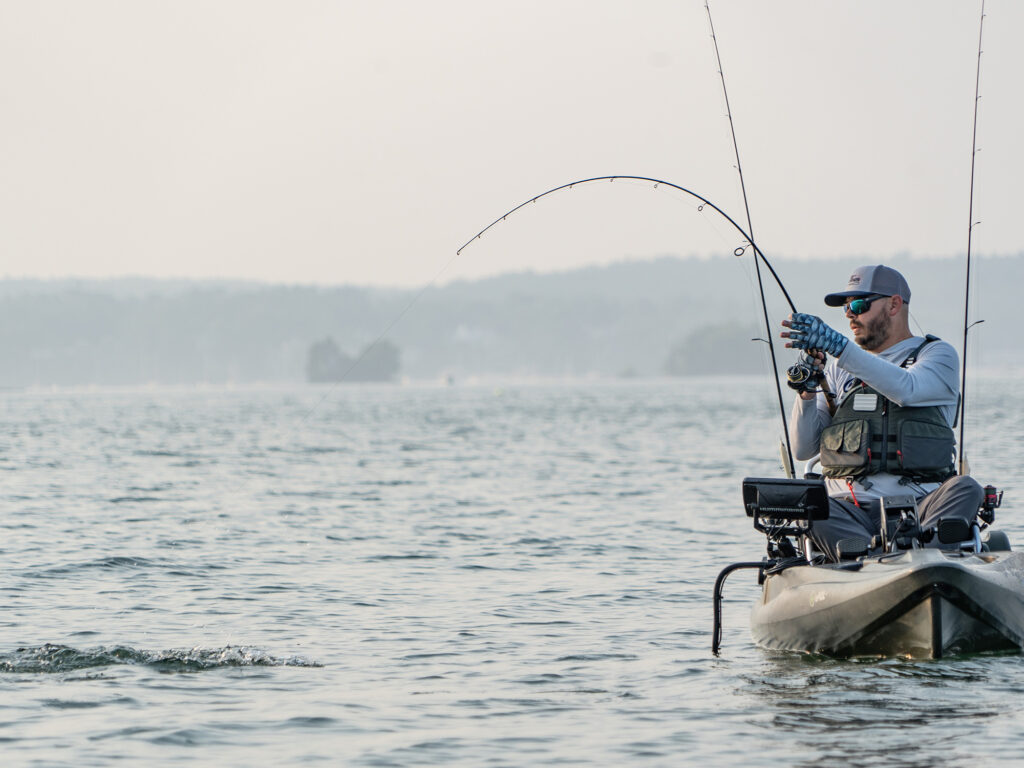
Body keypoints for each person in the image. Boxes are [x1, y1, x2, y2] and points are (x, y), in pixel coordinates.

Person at [780, 264, 983, 561]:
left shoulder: (937, 356)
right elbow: (803, 448)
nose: (850, 314)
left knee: (966, 487)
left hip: (921, 507)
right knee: (807, 502)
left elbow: (906, 389)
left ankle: (900, 556)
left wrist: (838, 346)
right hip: (848, 509)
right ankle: (881, 557)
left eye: (859, 305)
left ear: (894, 304)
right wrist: (807, 392)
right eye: (847, 308)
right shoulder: (837, 366)